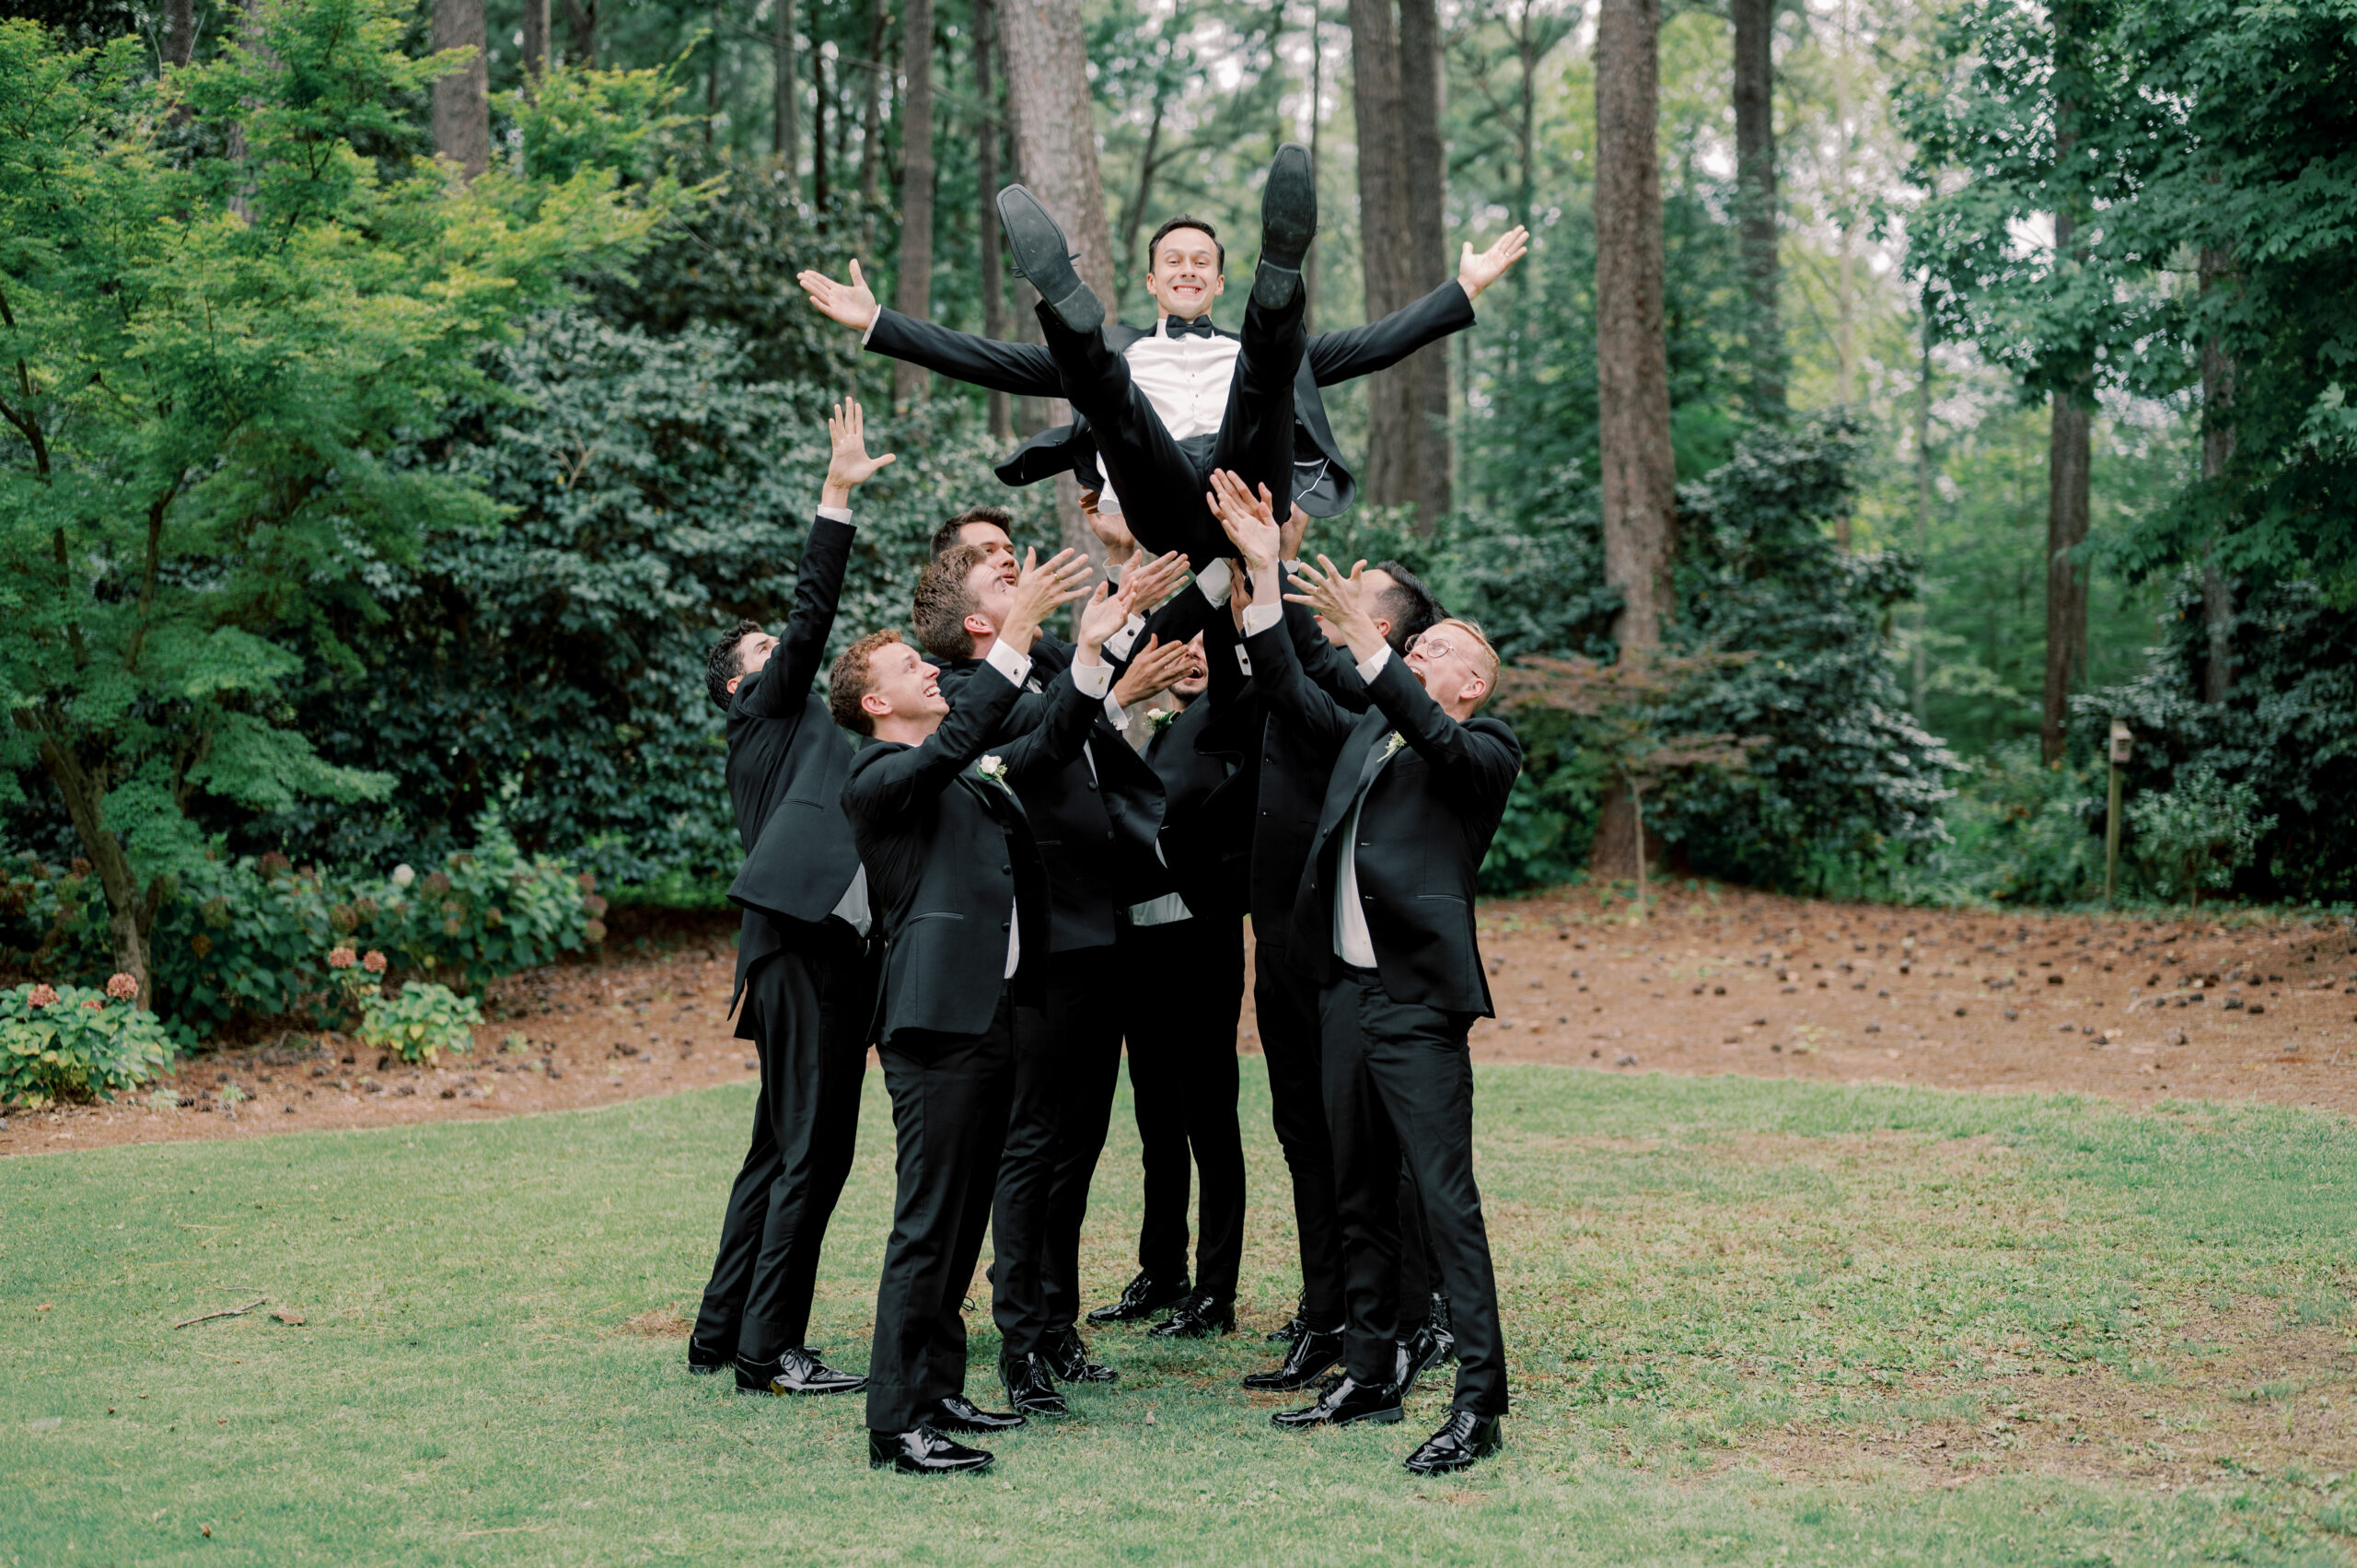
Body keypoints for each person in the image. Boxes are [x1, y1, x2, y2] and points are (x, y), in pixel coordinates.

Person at [1213, 469, 1521, 1477]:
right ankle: (1369, 1370)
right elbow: (1291, 688)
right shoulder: (1367, 732)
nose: (1415, 655)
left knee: (1440, 1198)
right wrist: (1263, 571)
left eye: (1434, 649)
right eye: (1415, 645)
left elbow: (1425, 725)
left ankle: (1478, 1403)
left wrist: (1376, 643)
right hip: (1339, 991)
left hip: (1417, 1003)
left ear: (1469, 682)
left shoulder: (1479, 747)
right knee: (1352, 1191)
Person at [797, 149, 1527, 567]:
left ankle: (1281, 279)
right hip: (1162, 490)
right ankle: (1065, 309)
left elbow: (1376, 344)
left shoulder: (1251, 355)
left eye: (1200, 262)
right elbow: (985, 359)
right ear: (1151, 282)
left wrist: (1463, 287)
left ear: (1216, 280)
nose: (1185, 270)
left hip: (1250, 488)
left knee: (1269, 375)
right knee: (1110, 396)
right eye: (1171, 261)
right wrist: (880, 322)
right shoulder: (1127, 346)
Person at [834, 548, 1134, 1475]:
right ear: (878, 705)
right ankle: (897, 1423)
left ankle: (942, 1387)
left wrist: (1084, 655)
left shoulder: (957, 769)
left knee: (963, 1221)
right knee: (927, 1223)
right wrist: (1011, 641)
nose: (930, 670)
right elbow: (963, 738)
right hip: (935, 1022)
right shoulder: (881, 778)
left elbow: (1037, 748)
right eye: (910, 671)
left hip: (993, 1015)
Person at [911, 535, 1182, 1414]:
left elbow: (1084, 702)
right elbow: (1043, 743)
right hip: (1037, 944)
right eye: (1000, 572)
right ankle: (1019, 1339)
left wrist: (1114, 625)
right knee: (1032, 1144)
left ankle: (1058, 1323)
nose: (1018, 566)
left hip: (1097, 926)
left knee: (1079, 1142)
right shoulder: (957, 693)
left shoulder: (1050, 662)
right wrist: (1090, 665)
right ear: (980, 619)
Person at [687, 400, 892, 1400]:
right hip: (802, 939)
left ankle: (722, 1332)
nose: (787, 655)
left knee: (777, 1145)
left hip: (799, 945)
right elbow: (813, 614)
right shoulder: (767, 715)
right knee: (816, 1146)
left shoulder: (809, 740)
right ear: (738, 688)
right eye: (763, 652)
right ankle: (772, 1353)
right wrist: (836, 494)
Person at [1103, 623, 1255, 1340]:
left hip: (1202, 938)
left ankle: (1215, 1290)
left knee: (1209, 1116)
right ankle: (1162, 1269)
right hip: (1135, 943)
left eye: (1205, 643)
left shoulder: (1227, 722)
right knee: (1155, 1116)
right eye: (1179, 644)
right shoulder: (1139, 726)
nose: (1193, 654)